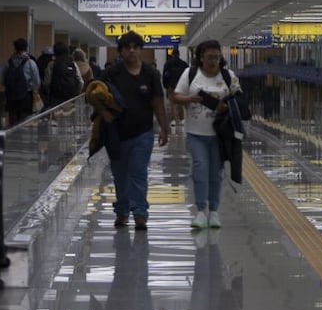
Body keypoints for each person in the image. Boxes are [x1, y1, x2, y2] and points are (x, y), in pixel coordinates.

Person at [99, 30, 168, 230]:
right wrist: (104, 113)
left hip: (143, 133)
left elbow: (157, 102)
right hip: (116, 133)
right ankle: (122, 211)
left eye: (135, 47)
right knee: (120, 174)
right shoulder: (112, 73)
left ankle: (139, 213)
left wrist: (164, 128)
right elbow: (94, 94)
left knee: (138, 173)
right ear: (120, 51)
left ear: (140, 50)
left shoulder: (150, 74)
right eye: (127, 47)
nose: (131, 51)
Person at [173, 39, 243, 229]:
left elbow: (239, 99)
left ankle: (214, 211)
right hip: (196, 133)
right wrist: (191, 98)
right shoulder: (191, 74)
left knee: (216, 172)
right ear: (201, 58)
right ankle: (201, 210)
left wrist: (227, 105)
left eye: (217, 57)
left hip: (220, 134)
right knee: (200, 168)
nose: (214, 60)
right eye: (210, 57)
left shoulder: (228, 76)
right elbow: (176, 96)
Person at [2, 37, 41, 127]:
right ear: (26, 48)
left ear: (14, 48)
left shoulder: (8, 63)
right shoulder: (31, 63)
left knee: (12, 123)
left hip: (10, 98)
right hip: (26, 97)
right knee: (24, 123)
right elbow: (37, 82)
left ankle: (12, 139)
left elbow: (2, 81)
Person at [44, 41, 82, 107]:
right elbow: (81, 82)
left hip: (56, 98)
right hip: (71, 99)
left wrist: (48, 92)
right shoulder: (73, 64)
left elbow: (47, 82)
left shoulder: (52, 64)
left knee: (56, 116)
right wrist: (76, 93)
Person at [161, 47, 188, 128]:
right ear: (179, 54)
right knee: (181, 104)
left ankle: (173, 121)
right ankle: (182, 120)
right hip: (181, 86)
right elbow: (187, 76)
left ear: (172, 54)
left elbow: (165, 75)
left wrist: (166, 85)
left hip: (171, 86)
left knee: (172, 104)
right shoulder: (184, 64)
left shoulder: (168, 63)